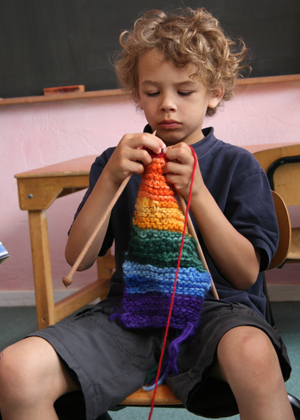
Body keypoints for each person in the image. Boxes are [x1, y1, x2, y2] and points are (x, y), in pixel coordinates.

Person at [0, 7, 295, 420]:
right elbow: (79, 258)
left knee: (255, 355)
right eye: (153, 92)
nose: (167, 106)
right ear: (137, 94)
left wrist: (198, 196)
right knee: (15, 369)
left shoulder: (237, 166)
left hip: (217, 312)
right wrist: (109, 178)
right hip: (130, 312)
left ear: (214, 93)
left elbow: (245, 274)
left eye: (185, 91)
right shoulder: (117, 163)